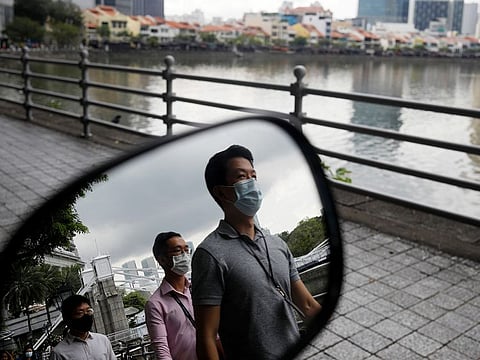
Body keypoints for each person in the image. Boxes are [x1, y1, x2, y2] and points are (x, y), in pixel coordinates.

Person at [192, 145, 321, 360]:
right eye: (242, 177)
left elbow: (307, 305)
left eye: (254, 176)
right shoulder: (210, 254)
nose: (252, 183)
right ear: (221, 191)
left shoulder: (277, 244)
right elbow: (206, 336)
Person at [145, 231, 197, 360]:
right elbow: (161, 348)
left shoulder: (198, 289)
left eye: (187, 250)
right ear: (162, 259)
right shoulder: (155, 304)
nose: (185, 255)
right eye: (178, 251)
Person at [49, 294, 116, 360]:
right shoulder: (58, 353)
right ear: (67, 318)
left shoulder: (102, 340)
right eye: (80, 313)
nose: (86, 315)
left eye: (88, 311)